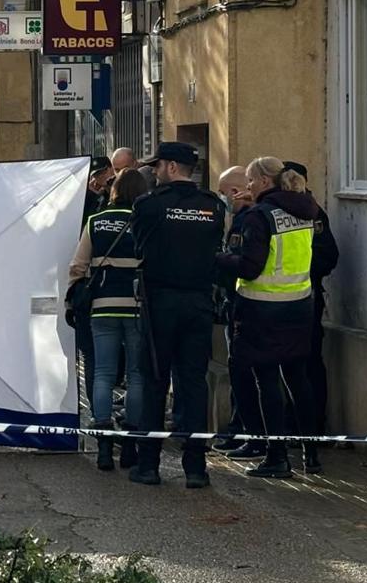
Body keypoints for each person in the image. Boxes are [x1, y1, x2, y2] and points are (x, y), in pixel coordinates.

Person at [128, 142, 226, 489]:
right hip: (199, 304)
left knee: (155, 380)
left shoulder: (149, 205)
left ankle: (148, 464)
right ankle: (196, 468)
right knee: (193, 383)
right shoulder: (213, 206)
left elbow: (140, 246)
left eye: (157, 166)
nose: (153, 172)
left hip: (160, 303)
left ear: (170, 167)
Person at [217, 157, 322, 478]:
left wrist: (219, 259)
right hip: (299, 307)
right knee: (298, 380)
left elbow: (250, 267)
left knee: (267, 382)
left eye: (251, 180)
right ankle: (311, 453)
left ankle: (277, 456)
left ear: (264, 181)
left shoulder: (259, 217)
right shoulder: (306, 210)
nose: (247, 186)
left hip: (262, 310)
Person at [68, 168, 146, 471]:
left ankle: (103, 444)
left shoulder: (96, 221)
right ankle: (130, 444)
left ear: (113, 191)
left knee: (102, 373)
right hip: (138, 306)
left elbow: (78, 265)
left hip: (102, 305)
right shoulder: (144, 220)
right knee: (136, 375)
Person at [282, 161, 340, 436]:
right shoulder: (274, 210)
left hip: (306, 298)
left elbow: (327, 256)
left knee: (308, 364)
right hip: (284, 299)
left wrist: (301, 271)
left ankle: (311, 428)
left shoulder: (313, 213)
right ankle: (294, 426)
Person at [212, 166, 263, 457]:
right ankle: (238, 427)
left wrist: (216, 259)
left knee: (244, 373)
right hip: (260, 305)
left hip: (246, 304)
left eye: (223, 194)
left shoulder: (248, 220)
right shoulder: (251, 217)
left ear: (234, 192)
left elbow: (241, 264)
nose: (223, 200)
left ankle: (246, 431)